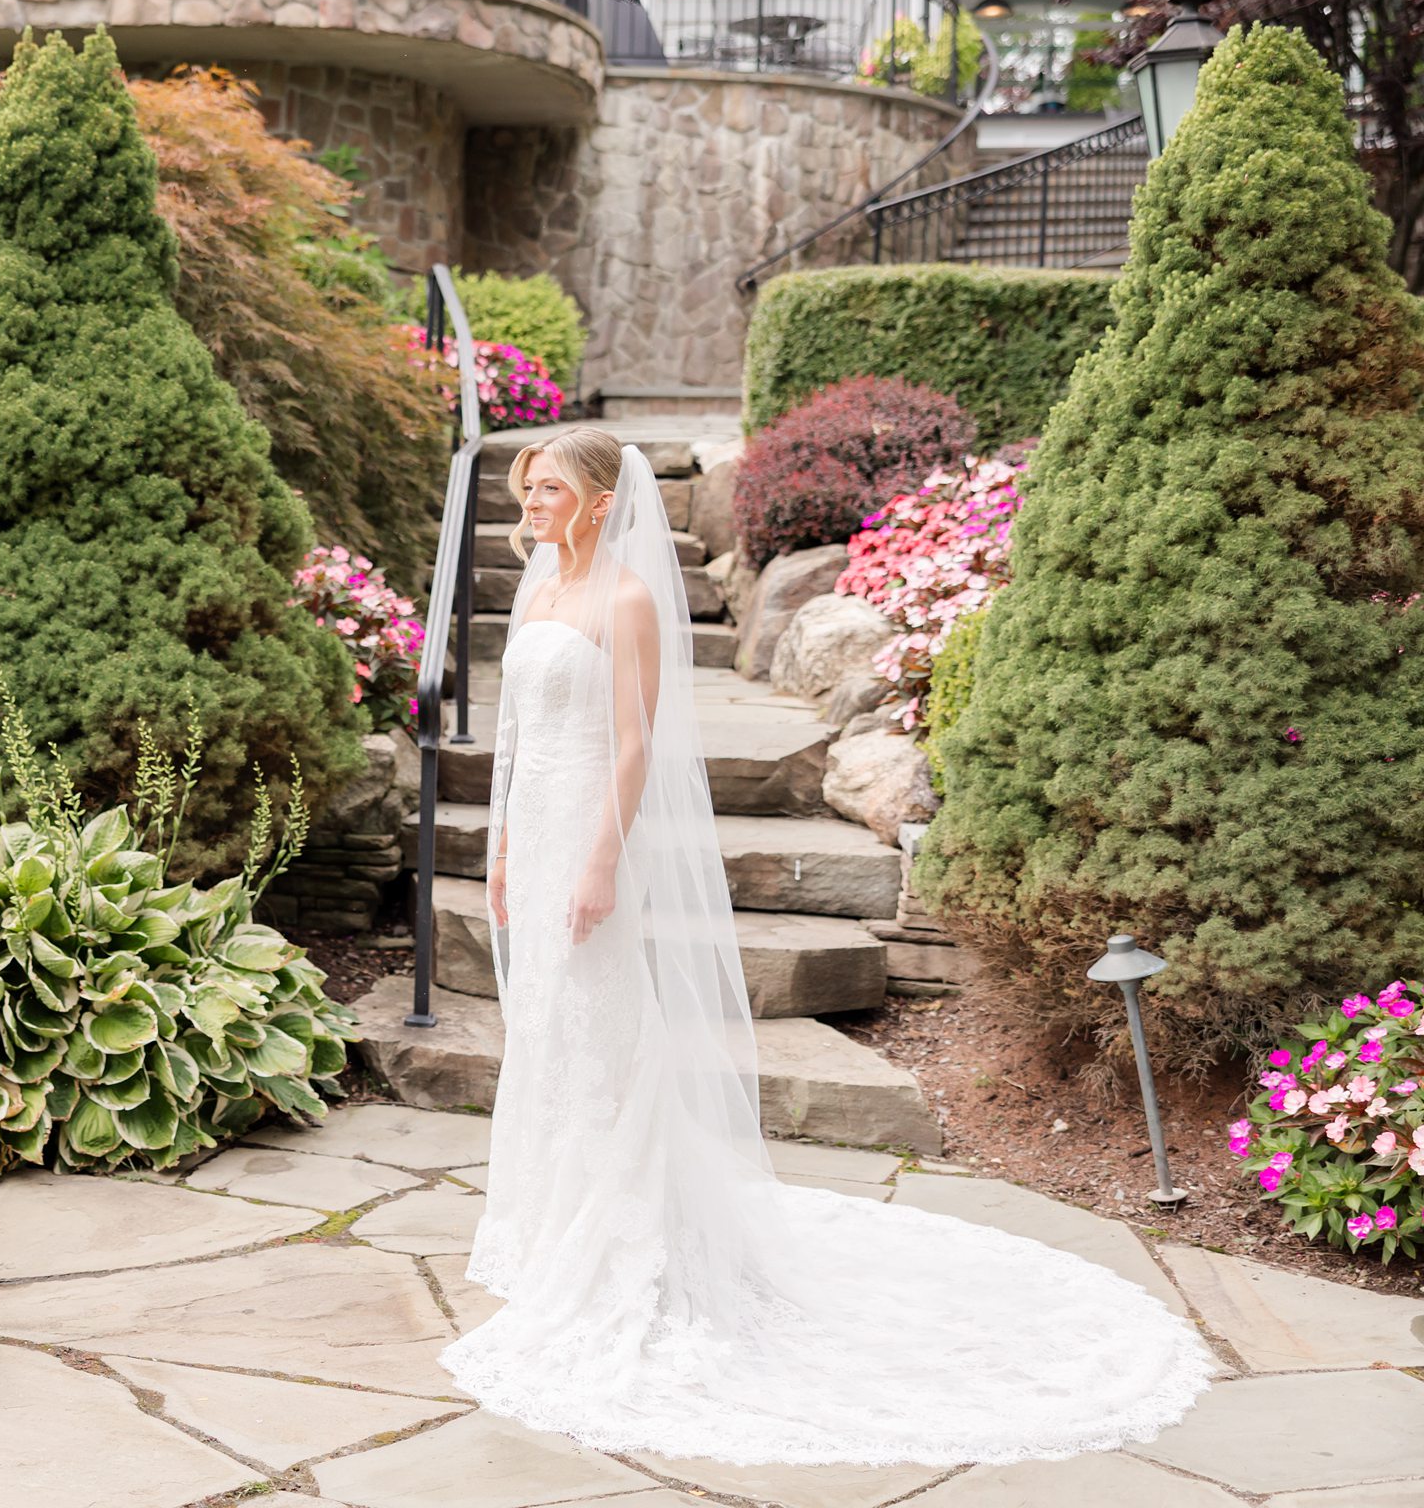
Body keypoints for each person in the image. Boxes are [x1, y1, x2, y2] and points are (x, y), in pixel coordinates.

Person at [442, 425, 1214, 1465]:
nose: (526, 504)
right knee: (542, 1023)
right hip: (530, 827)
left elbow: (634, 746)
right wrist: (498, 852)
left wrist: (599, 862)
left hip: (589, 830)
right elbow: (517, 735)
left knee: (602, 1026)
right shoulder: (537, 583)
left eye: (544, 489)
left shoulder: (626, 599)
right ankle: (545, 1228)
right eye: (523, 487)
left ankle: (623, 1237)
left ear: (594, 497)